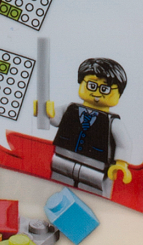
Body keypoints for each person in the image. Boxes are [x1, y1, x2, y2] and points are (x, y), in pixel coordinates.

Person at [44, 56, 132, 195]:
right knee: (57, 187)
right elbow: (55, 120)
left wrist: (120, 164)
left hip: (95, 168)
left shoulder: (113, 122)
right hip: (62, 159)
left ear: (119, 93)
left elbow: (123, 145)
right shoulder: (70, 108)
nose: (96, 93)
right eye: (92, 86)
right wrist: (46, 111)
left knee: (92, 194)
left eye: (105, 89)